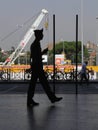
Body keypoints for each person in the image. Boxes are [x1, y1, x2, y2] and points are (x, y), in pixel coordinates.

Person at [27, 28, 62, 107]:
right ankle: (52, 98)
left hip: (36, 67)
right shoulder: (36, 44)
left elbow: (33, 56)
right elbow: (36, 56)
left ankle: (30, 100)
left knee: (35, 84)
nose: (42, 35)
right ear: (38, 35)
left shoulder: (35, 44)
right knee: (44, 84)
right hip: (37, 67)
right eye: (41, 34)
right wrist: (44, 51)